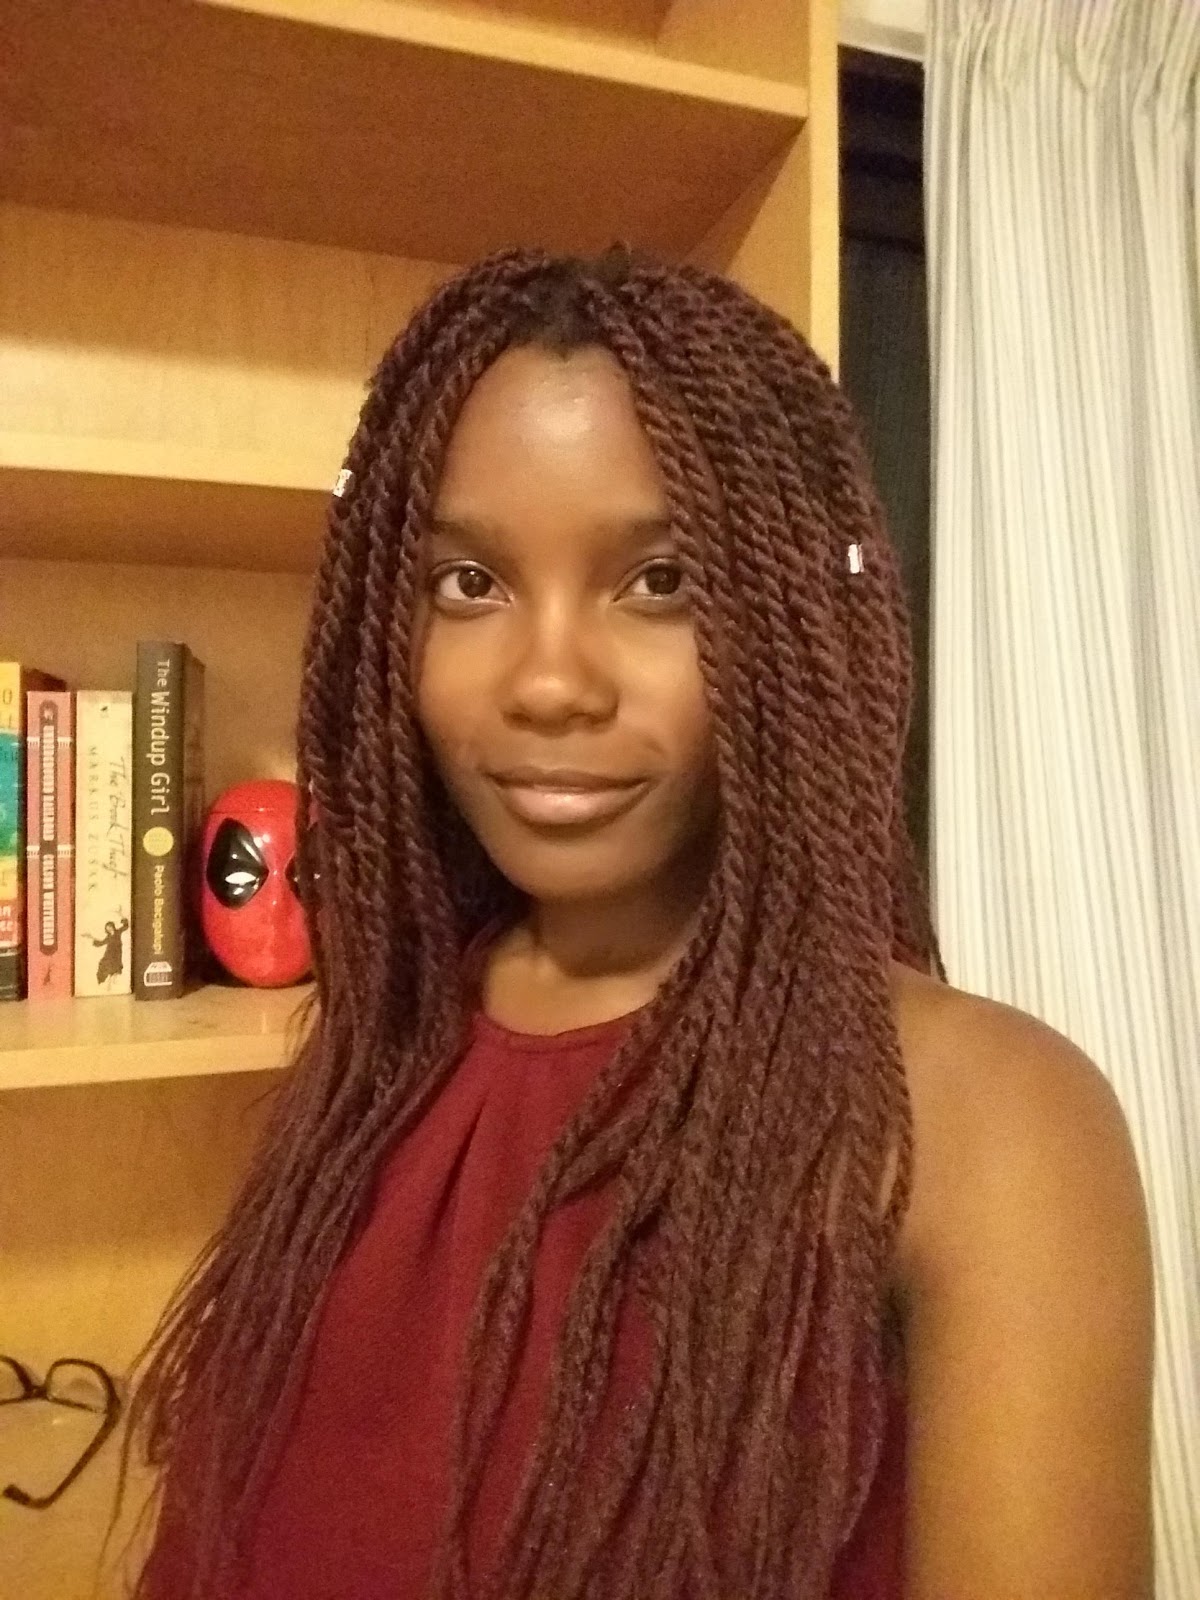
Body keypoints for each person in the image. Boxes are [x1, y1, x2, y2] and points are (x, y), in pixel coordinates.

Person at [122, 247, 1153, 1599]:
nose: (550, 682)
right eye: (469, 584)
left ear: (788, 622)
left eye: (662, 581)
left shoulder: (987, 1119)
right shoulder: (378, 1052)